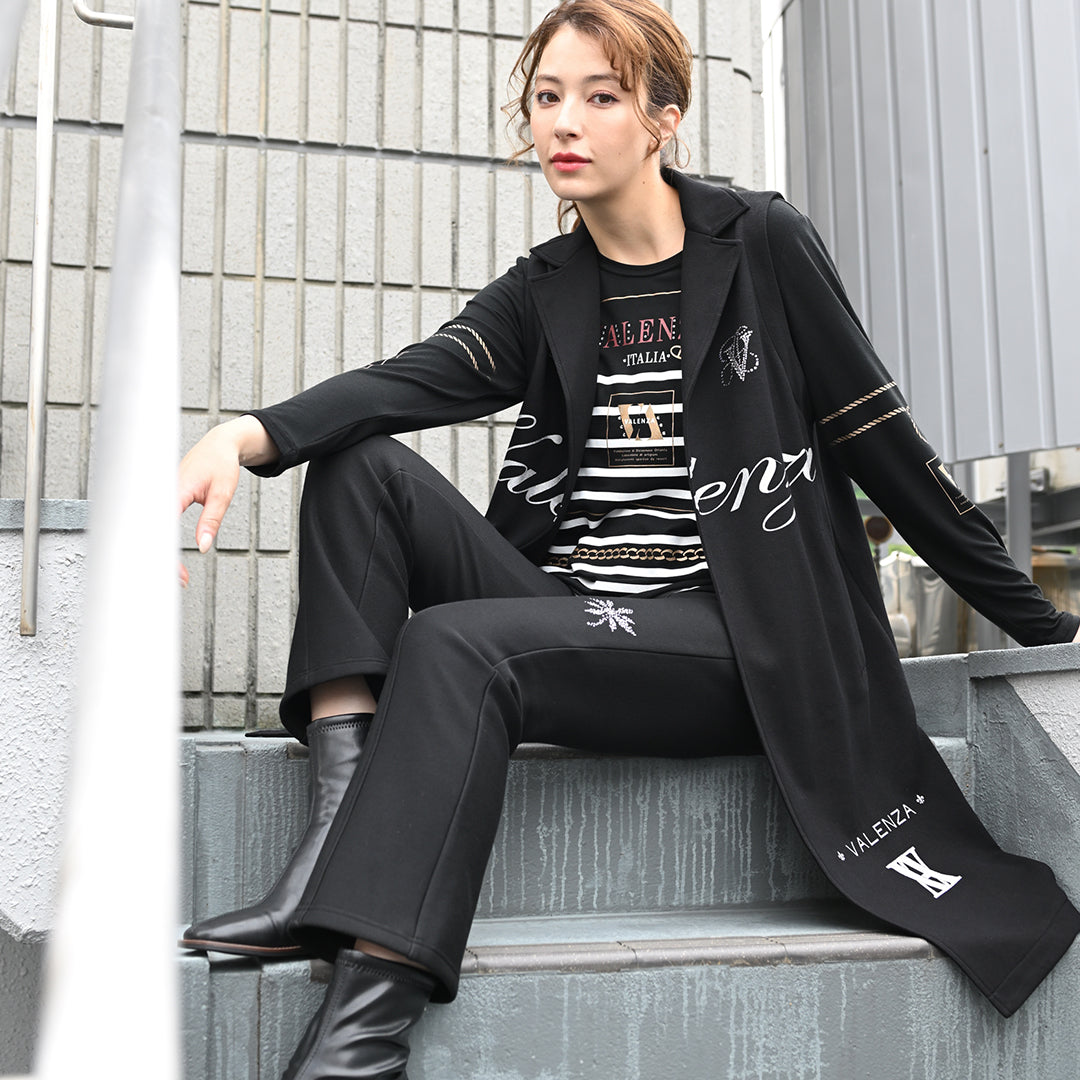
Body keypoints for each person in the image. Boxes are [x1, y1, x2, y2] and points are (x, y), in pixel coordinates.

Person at [177, 1, 1080, 1075]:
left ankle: (362, 1035)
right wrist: (245, 435)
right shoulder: (547, 287)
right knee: (355, 465)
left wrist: (1051, 633)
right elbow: (408, 379)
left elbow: (888, 450)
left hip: (733, 644)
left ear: (663, 118)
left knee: (455, 643)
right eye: (547, 98)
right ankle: (330, 849)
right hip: (581, 615)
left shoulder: (760, 245)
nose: (565, 122)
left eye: (600, 97)